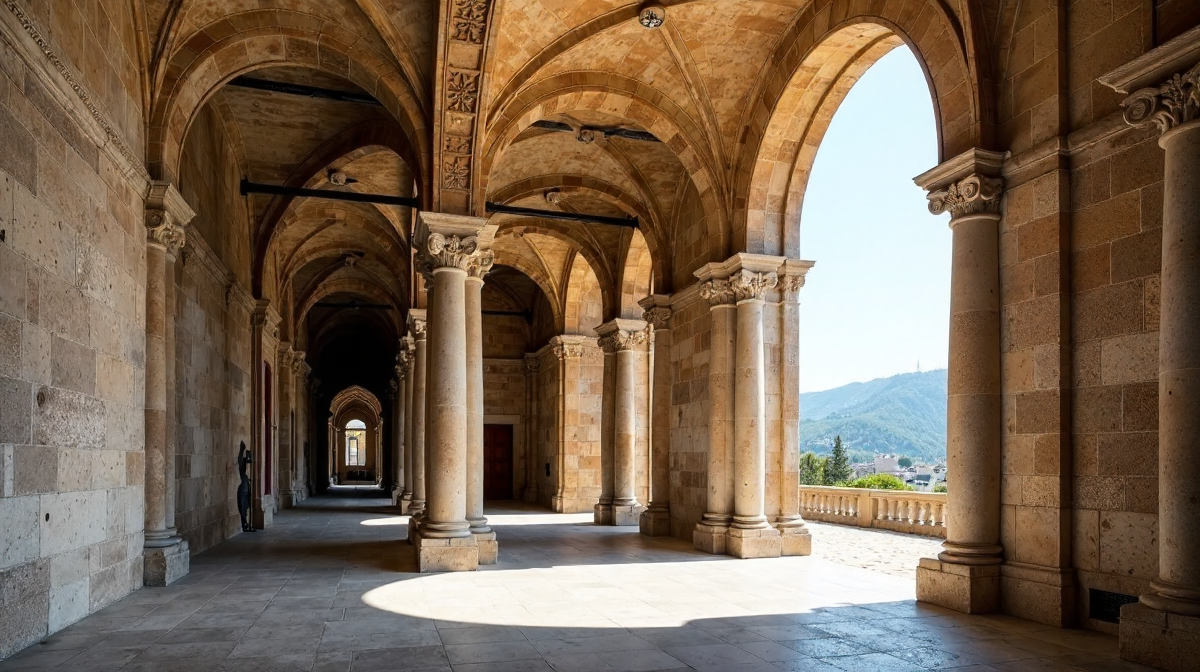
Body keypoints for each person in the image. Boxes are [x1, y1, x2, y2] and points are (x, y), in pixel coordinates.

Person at [237, 441, 256, 532]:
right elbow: (240, 462)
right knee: (243, 509)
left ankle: (245, 524)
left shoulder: (245, 476)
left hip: (245, 492)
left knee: (245, 509)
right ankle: (244, 524)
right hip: (243, 492)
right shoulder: (243, 475)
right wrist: (241, 450)